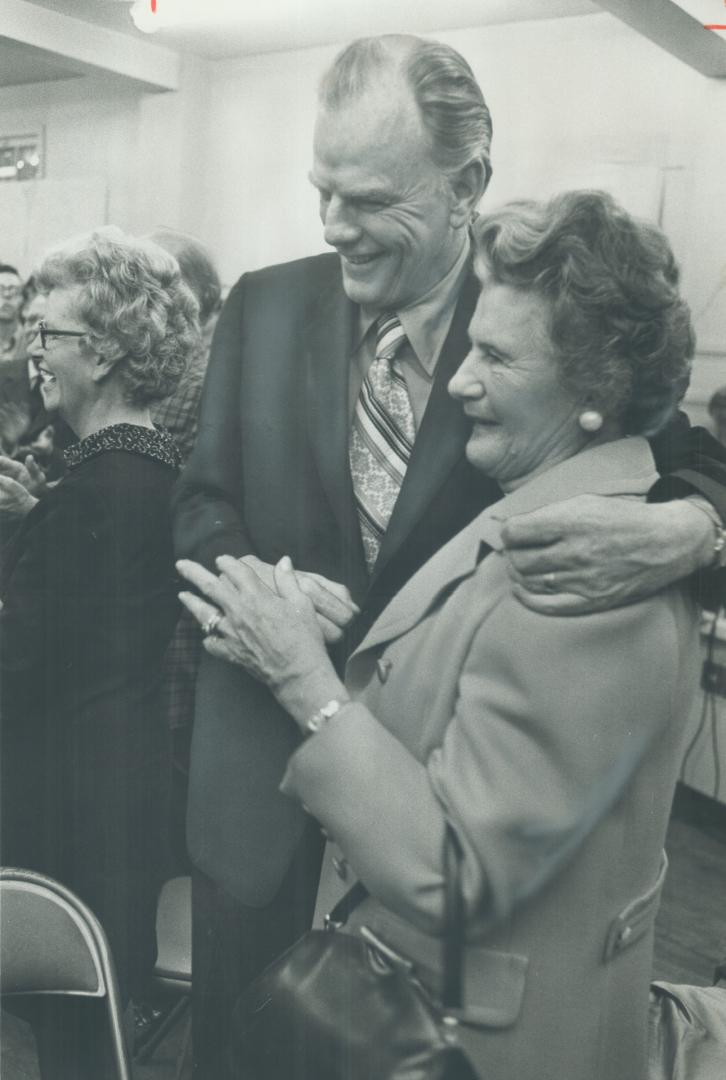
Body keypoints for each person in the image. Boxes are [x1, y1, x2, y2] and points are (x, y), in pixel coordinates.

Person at [172, 34, 726, 1078]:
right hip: (257, 793)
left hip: (440, 849)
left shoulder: (540, 320)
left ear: (467, 181)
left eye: (370, 198)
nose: (334, 226)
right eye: (321, 190)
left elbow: (678, 455)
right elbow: (202, 502)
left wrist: (695, 525)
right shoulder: (265, 302)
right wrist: (257, 590)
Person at [0, 226, 200, 1079]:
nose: (28, 353)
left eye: (47, 334)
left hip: (62, 817)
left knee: (70, 1043)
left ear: (110, 351)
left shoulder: (91, 496)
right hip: (117, 800)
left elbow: (16, 670)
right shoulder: (152, 476)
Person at [0, 263, 26, 363]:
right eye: (0, 290)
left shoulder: (32, 339)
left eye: (14, 290)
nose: (6, 295)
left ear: (23, 298)